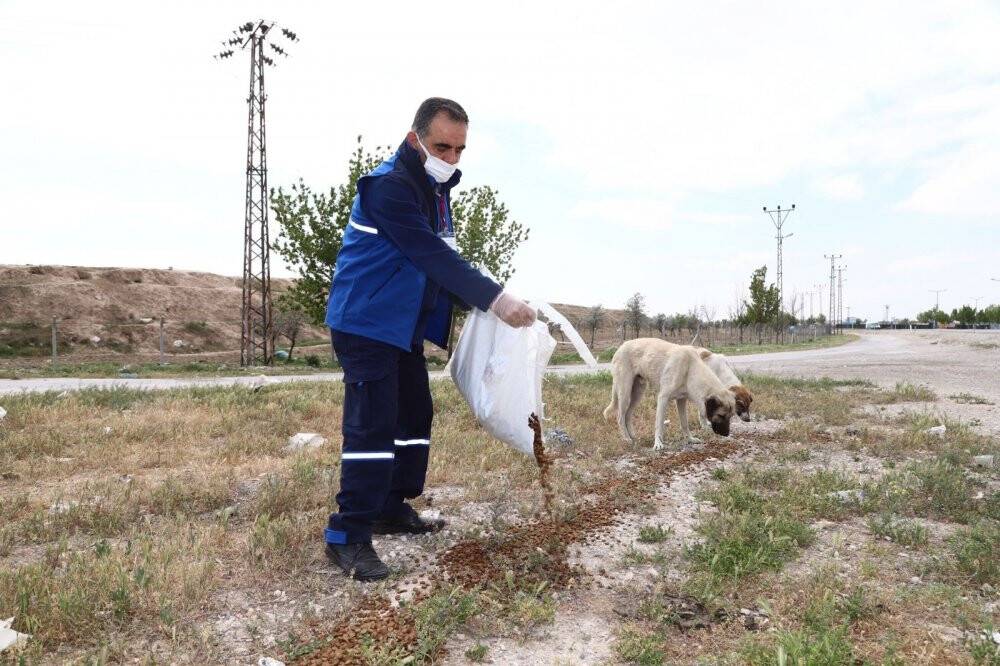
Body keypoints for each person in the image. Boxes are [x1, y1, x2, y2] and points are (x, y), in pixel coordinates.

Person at [323, 97, 537, 581]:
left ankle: (389, 506)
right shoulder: (391, 187)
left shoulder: (434, 189)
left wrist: (483, 303)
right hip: (366, 322)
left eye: (461, 149)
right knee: (372, 427)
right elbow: (431, 256)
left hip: (401, 328)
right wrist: (495, 300)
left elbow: (441, 266)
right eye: (443, 146)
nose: (452, 158)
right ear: (414, 137)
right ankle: (348, 533)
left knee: (414, 415)